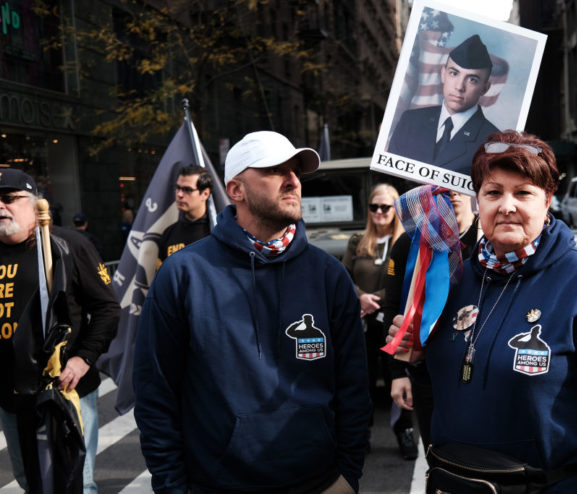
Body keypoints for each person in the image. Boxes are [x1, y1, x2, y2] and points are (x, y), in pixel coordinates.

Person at [388, 130, 577, 491]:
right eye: (493, 192)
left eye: (523, 192)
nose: (507, 205)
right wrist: (418, 360)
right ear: (478, 201)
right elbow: (449, 388)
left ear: (547, 199)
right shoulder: (453, 280)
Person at [133, 131, 371, 494]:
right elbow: (156, 394)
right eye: (276, 170)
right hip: (216, 484)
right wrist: (172, 488)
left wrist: (348, 476)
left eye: (295, 171)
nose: (292, 180)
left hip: (320, 483)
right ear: (236, 190)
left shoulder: (329, 274)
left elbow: (354, 387)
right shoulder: (183, 275)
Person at [0, 169, 120, 494]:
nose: (1, 207)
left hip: (68, 391)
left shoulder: (68, 245)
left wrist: (83, 358)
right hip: (12, 398)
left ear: (35, 202)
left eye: (9, 199)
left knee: (76, 482)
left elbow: (108, 308)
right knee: (31, 483)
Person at [386, 189, 478, 452]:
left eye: (458, 183)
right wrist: (397, 373)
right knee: (435, 452)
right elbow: (394, 307)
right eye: (440, 184)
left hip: (474, 366)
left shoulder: (487, 241)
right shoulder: (409, 243)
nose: (450, 192)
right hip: (425, 370)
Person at [340, 184, 413, 459]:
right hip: (363, 323)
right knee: (364, 379)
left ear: (396, 210)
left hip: (393, 320)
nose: (379, 212)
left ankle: (404, 431)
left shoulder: (405, 241)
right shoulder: (358, 240)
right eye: (374, 207)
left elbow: (407, 281)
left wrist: (377, 299)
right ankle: (364, 432)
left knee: (399, 375)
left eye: (386, 207)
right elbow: (344, 274)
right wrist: (360, 297)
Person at [388, 34, 500, 176]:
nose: (459, 87)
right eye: (454, 73)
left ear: (485, 88)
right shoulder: (410, 121)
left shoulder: (493, 142)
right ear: (443, 74)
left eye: (472, 79)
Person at [157, 163, 212, 263]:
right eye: (178, 188)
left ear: (205, 194)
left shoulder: (216, 230)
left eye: (187, 190)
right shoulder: (168, 233)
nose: (179, 194)